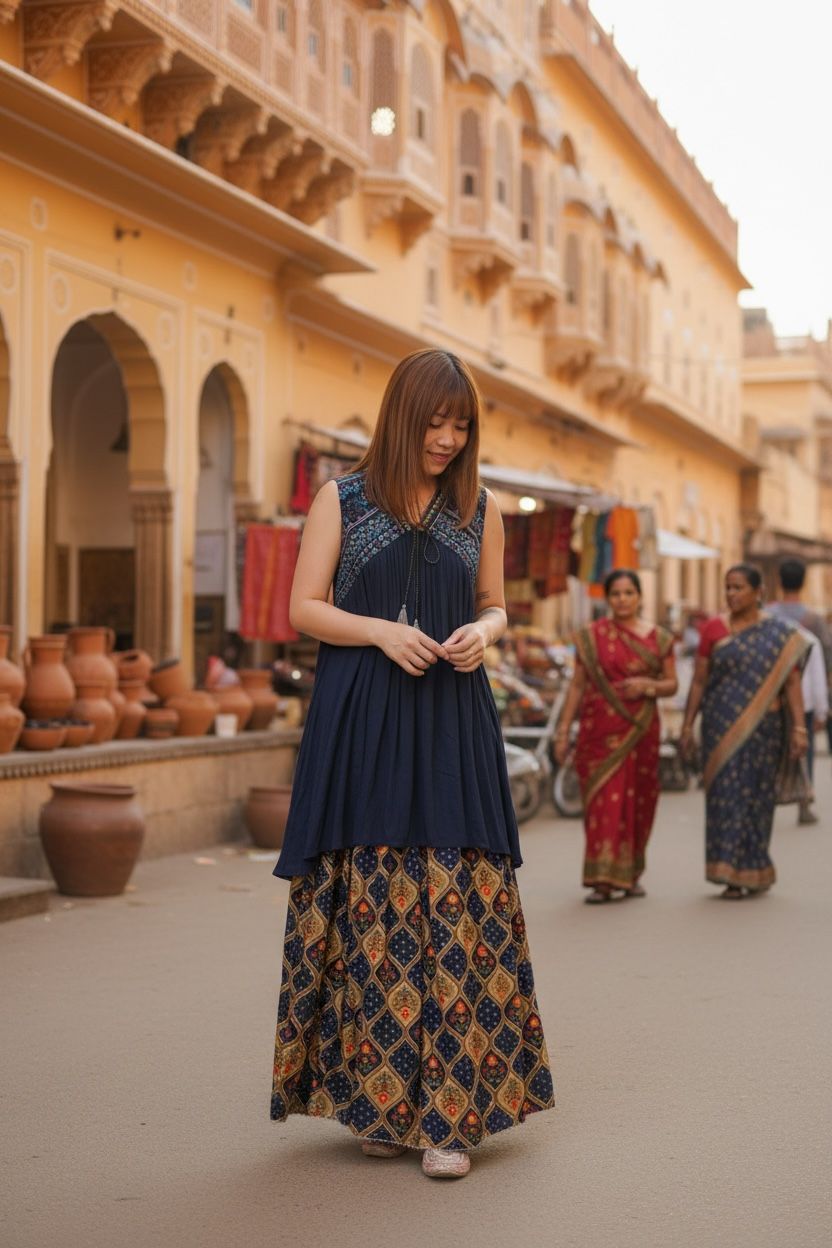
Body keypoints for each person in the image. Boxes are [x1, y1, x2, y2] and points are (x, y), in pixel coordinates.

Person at [269, 348, 554, 1180]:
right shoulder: (342, 498)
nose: (448, 438)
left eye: (460, 425)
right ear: (403, 416)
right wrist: (381, 632)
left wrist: (485, 634)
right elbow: (303, 607)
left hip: (452, 720)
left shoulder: (480, 507)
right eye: (435, 422)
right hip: (363, 718)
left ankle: (450, 1119)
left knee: (457, 899)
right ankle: (380, 1104)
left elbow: (495, 603)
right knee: (371, 900)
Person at [680, 564, 809, 899]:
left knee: (757, 797)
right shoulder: (713, 629)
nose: (731, 594)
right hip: (719, 727)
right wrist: (687, 724)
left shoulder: (780, 633)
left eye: (738, 587)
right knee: (724, 796)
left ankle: (755, 867)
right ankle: (729, 872)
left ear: (758, 592)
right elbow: (699, 681)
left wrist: (799, 727)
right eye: (728, 587)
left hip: (765, 729)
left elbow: (792, 682)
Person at [554, 569, 678, 904]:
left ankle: (630, 875)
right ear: (608, 599)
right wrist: (563, 731)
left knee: (640, 800)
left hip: (640, 731)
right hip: (598, 732)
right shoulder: (591, 637)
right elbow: (577, 685)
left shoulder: (659, 639)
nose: (622, 600)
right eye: (616, 594)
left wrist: (647, 686)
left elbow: (672, 684)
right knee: (602, 801)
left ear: (639, 597)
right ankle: (602, 879)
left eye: (628, 593)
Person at [793, 624, 828, 824]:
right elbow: (818, 679)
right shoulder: (809, 639)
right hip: (804, 706)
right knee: (806, 754)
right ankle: (804, 800)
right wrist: (821, 711)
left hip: (780, 706)